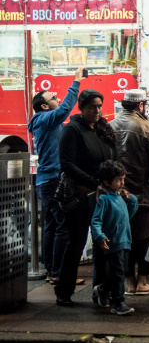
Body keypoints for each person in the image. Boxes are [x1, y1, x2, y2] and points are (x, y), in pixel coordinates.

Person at [54, 89, 115, 307]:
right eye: (92, 107)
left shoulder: (101, 128)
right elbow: (67, 164)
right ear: (82, 107)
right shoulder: (72, 129)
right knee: (76, 243)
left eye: (99, 106)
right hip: (79, 195)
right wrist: (94, 183)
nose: (97, 111)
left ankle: (100, 291)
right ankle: (64, 291)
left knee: (103, 244)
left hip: (103, 195)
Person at [27, 66, 84, 285]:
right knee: (62, 226)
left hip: (48, 180)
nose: (57, 98)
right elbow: (65, 109)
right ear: (43, 106)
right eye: (53, 97)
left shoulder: (45, 121)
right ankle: (59, 273)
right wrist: (76, 82)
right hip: (52, 180)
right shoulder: (44, 119)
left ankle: (52, 270)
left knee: (52, 224)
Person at [109, 89, 149, 296]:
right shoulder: (147, 127)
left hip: (117, 194)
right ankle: (142, 282)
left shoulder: (109, 126)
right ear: (140, 105)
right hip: (143, 194)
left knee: (123, 238)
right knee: (144, 239)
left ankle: (129, 282)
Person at [90, 160, 138, 316]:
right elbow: (96, 221)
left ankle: (103, 289)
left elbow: (128, 215)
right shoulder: (103, 199)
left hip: (124, 240)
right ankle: (118, 302)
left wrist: (132, 200)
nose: (122, 183)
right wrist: (100, 236)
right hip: (112, 242)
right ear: (106, 182)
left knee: (122, 271)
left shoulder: (119, 197)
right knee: (118, 273)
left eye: (123, 179)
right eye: (118, 180)